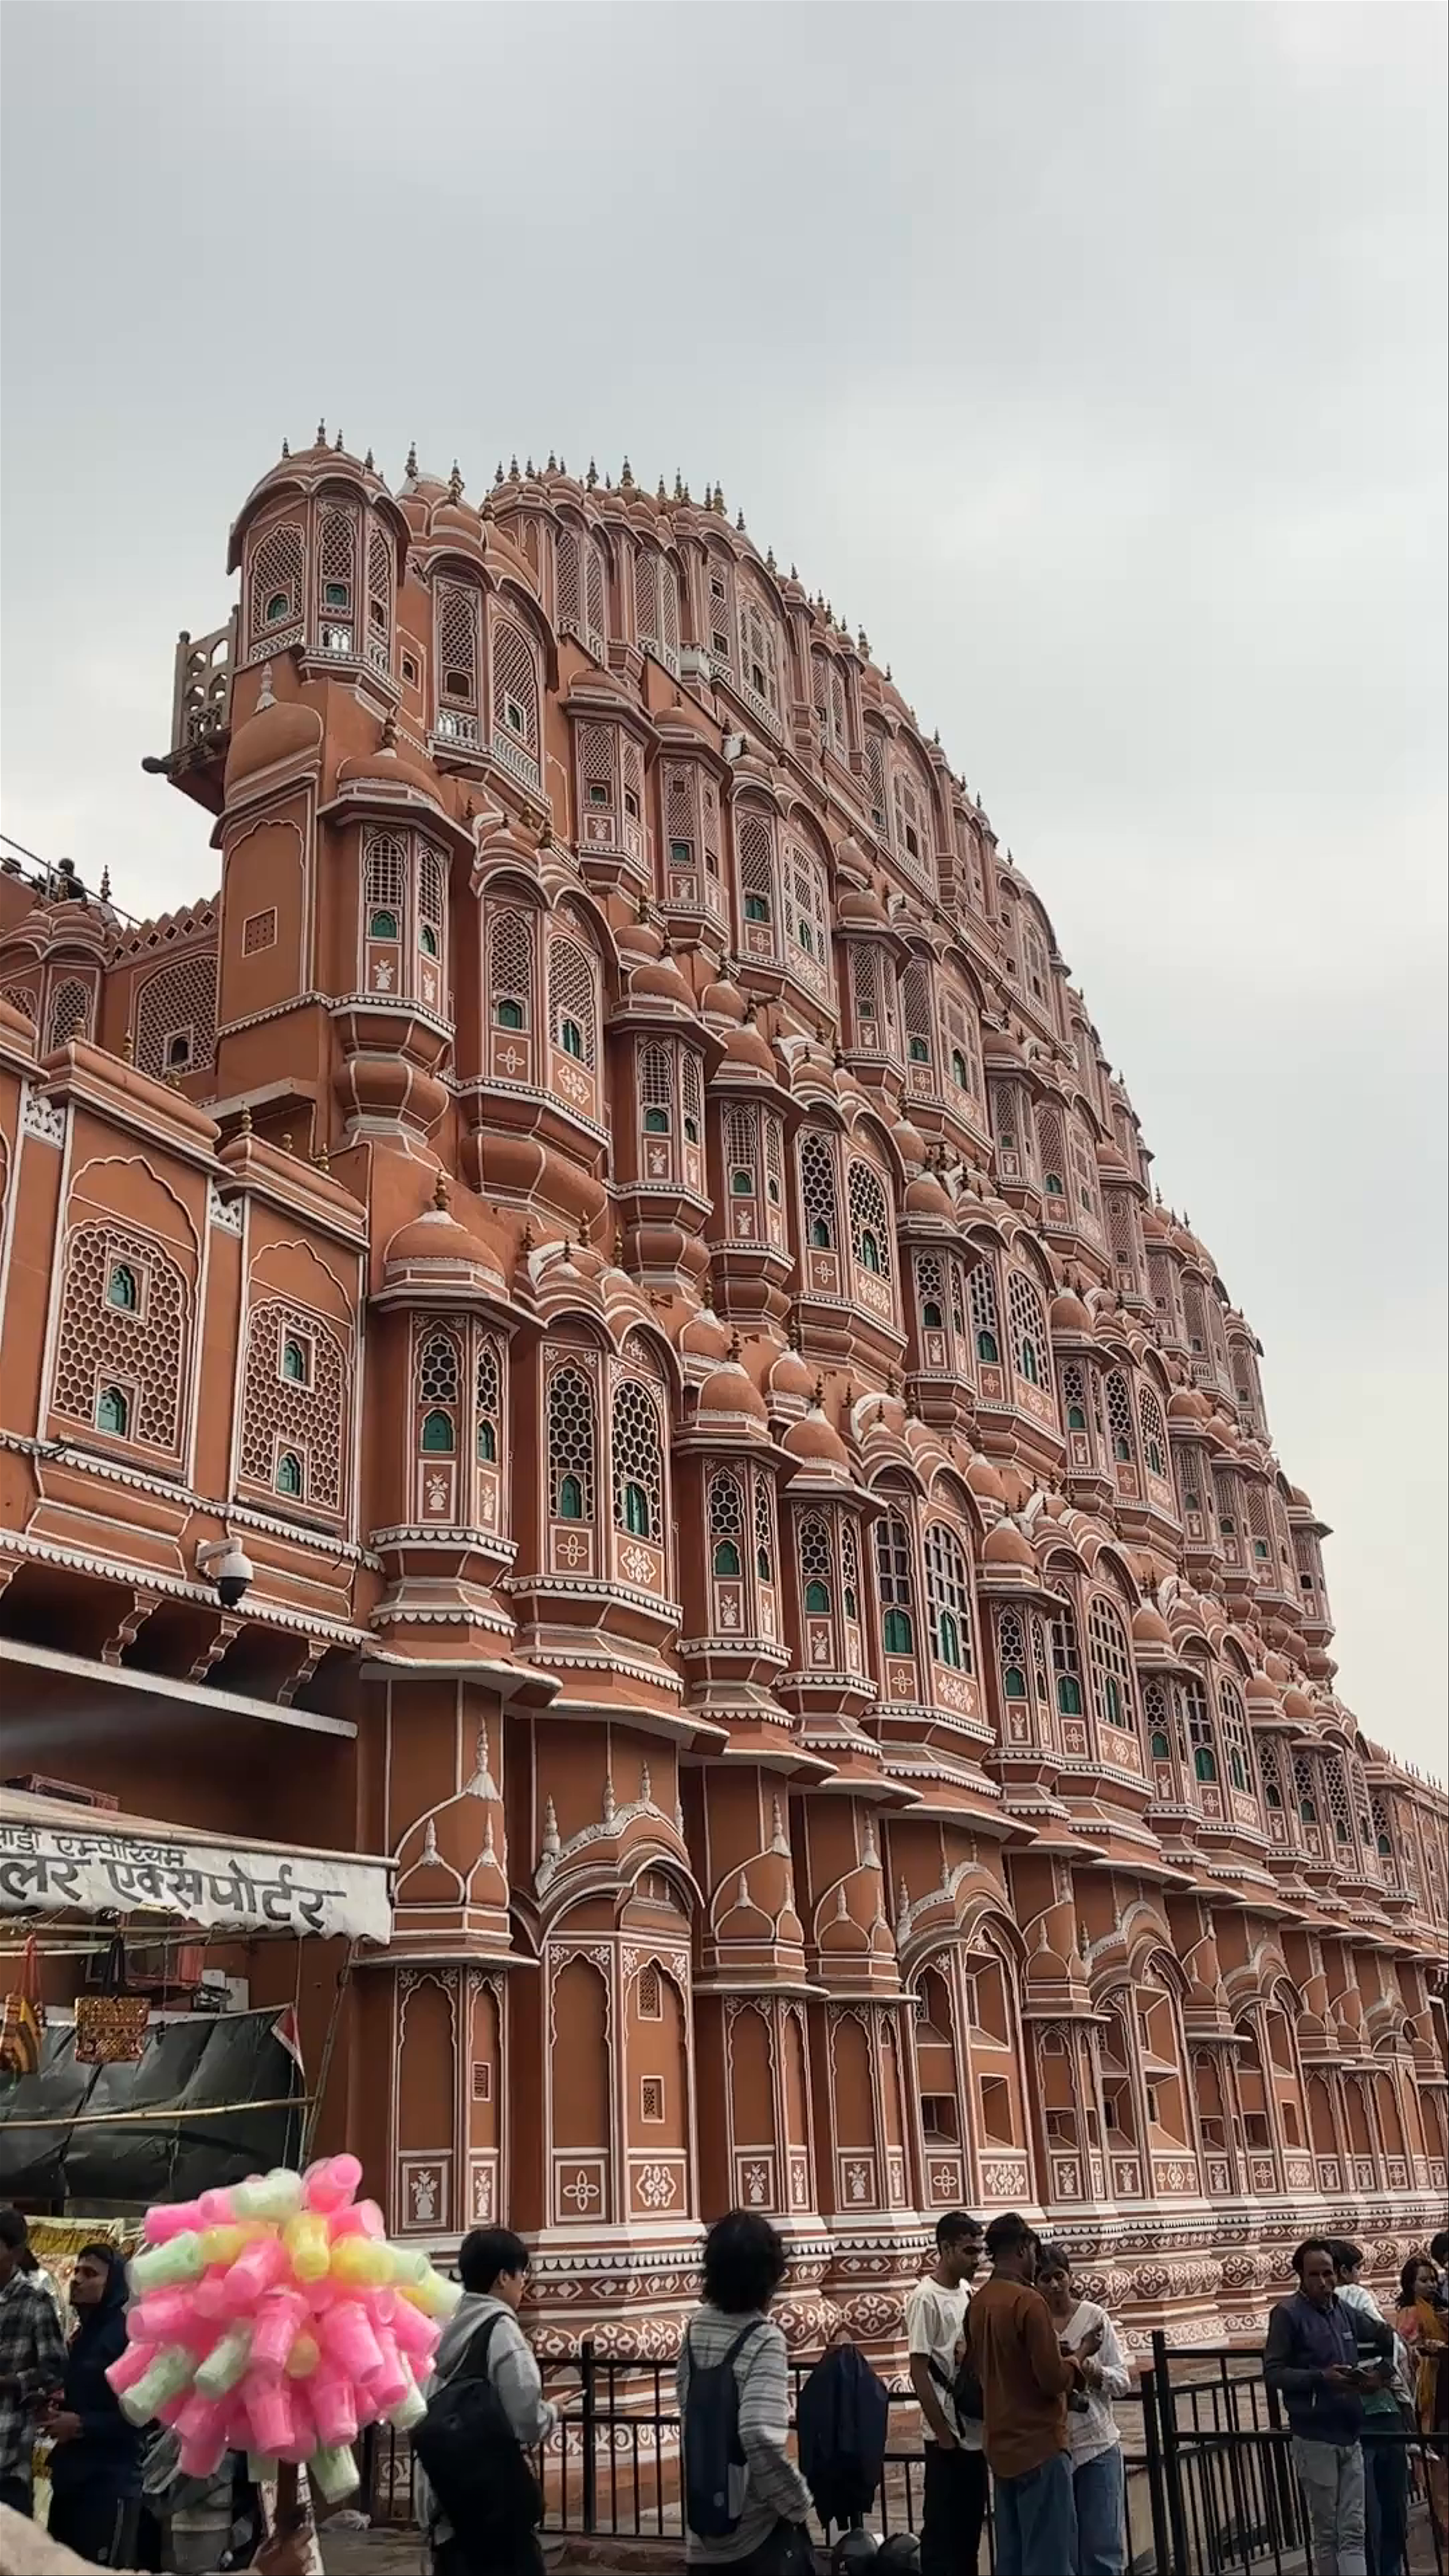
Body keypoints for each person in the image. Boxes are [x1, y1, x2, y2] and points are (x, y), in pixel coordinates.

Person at [676, 2210, 812, 2573]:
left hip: (705, 2526)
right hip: (754, 2538)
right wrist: (795, 2499)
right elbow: (758, 2435)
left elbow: (689, 2413)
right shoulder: (764, 2338)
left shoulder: (695, 2328)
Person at [423, 2227, 557, 2576]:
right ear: (503, 2278)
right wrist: (553, 2413)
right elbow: (525, 2418)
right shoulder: (501, 2332)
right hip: (495, 2514)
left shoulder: (440, 2332)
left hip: (448, 2512)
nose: (523, 2284)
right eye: (521, 2274)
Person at [965, 2211, 1082, 2576]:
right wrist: (1077, 2362)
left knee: (1013, 2558)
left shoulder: (979, 2302)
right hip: (1039, 2445)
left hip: (1002, 2446)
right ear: (1022, 2247)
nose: (1037, 2258)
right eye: (1034, 2249)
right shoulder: (1029, 2302)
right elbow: (1051, 2378)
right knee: (1049, 2558)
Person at [1265, 2236, 1384, 2576]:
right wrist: (1321, 2378)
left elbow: (1380, 2333)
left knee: (1353, 2528)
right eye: (1315, 2275)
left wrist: (1377, 2373)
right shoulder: (1287, 2314)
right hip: (1315, 2434)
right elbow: (1274, 2373)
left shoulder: (1342, 2309)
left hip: (1350, 2431)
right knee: (1328, 2530)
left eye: (1329, 2274)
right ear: (1301, 2277)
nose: (1323, 2282)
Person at [45, 2243, 145, 2568]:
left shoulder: (127, 2336)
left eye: (90, 2274)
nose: (76, 2280)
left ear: (114, 2281)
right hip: (72, 2479)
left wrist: (83, 2424)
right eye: (76, 2271)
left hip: (107, 2485)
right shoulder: (86, 2334)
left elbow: (145, 2417)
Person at [1035, 2243, 1130, 2576]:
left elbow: (1123, 2381)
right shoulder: (1034, 2323)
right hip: (1052, 2449)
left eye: (1059, 2276)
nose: (1054, 2286)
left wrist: (1093, 2371)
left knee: (1102, 2547)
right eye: (1045, 2279)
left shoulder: (1095, 2318)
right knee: (1063, 2552)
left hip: (1096, 2446)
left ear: (1071, 2277)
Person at [905, 2210, 986, 2576]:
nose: (976, 2260)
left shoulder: (970, 2292)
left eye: (979, 2251)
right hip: (947, 2435)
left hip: (973, 2430)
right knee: (942, 2531)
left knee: (969, 2528)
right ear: (947, 2248)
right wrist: (941, 2432)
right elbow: (919, 2367)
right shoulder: (926, 2297)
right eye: (969, 2251)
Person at [1327, 2242, 1408, 2576]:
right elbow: (1392, 2343)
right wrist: (1382, 2371)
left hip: (1356, 2416)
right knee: (1386, 2510)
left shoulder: (1315, 2309)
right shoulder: (1355, 2297)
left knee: (1366, 2511)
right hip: (1373, 2413)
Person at [0, 2210, 66, 2519]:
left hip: (8, 2457)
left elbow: (55, 2369)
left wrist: (11, 2381)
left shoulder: (34, 2301)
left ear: (15, 2252)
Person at [1396, 2253, 1448, 2545]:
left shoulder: (1439, 2308)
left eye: (1432, 2279)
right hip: (1428, 2391)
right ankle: (1443, 2520)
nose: (1430, 2284)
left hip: (1445, 2385)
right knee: (1436, 2458)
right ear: (1410, 2284)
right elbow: (1404, 2350)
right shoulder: (1411, 2312)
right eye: (1423, 2280)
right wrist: (1427, 2349)